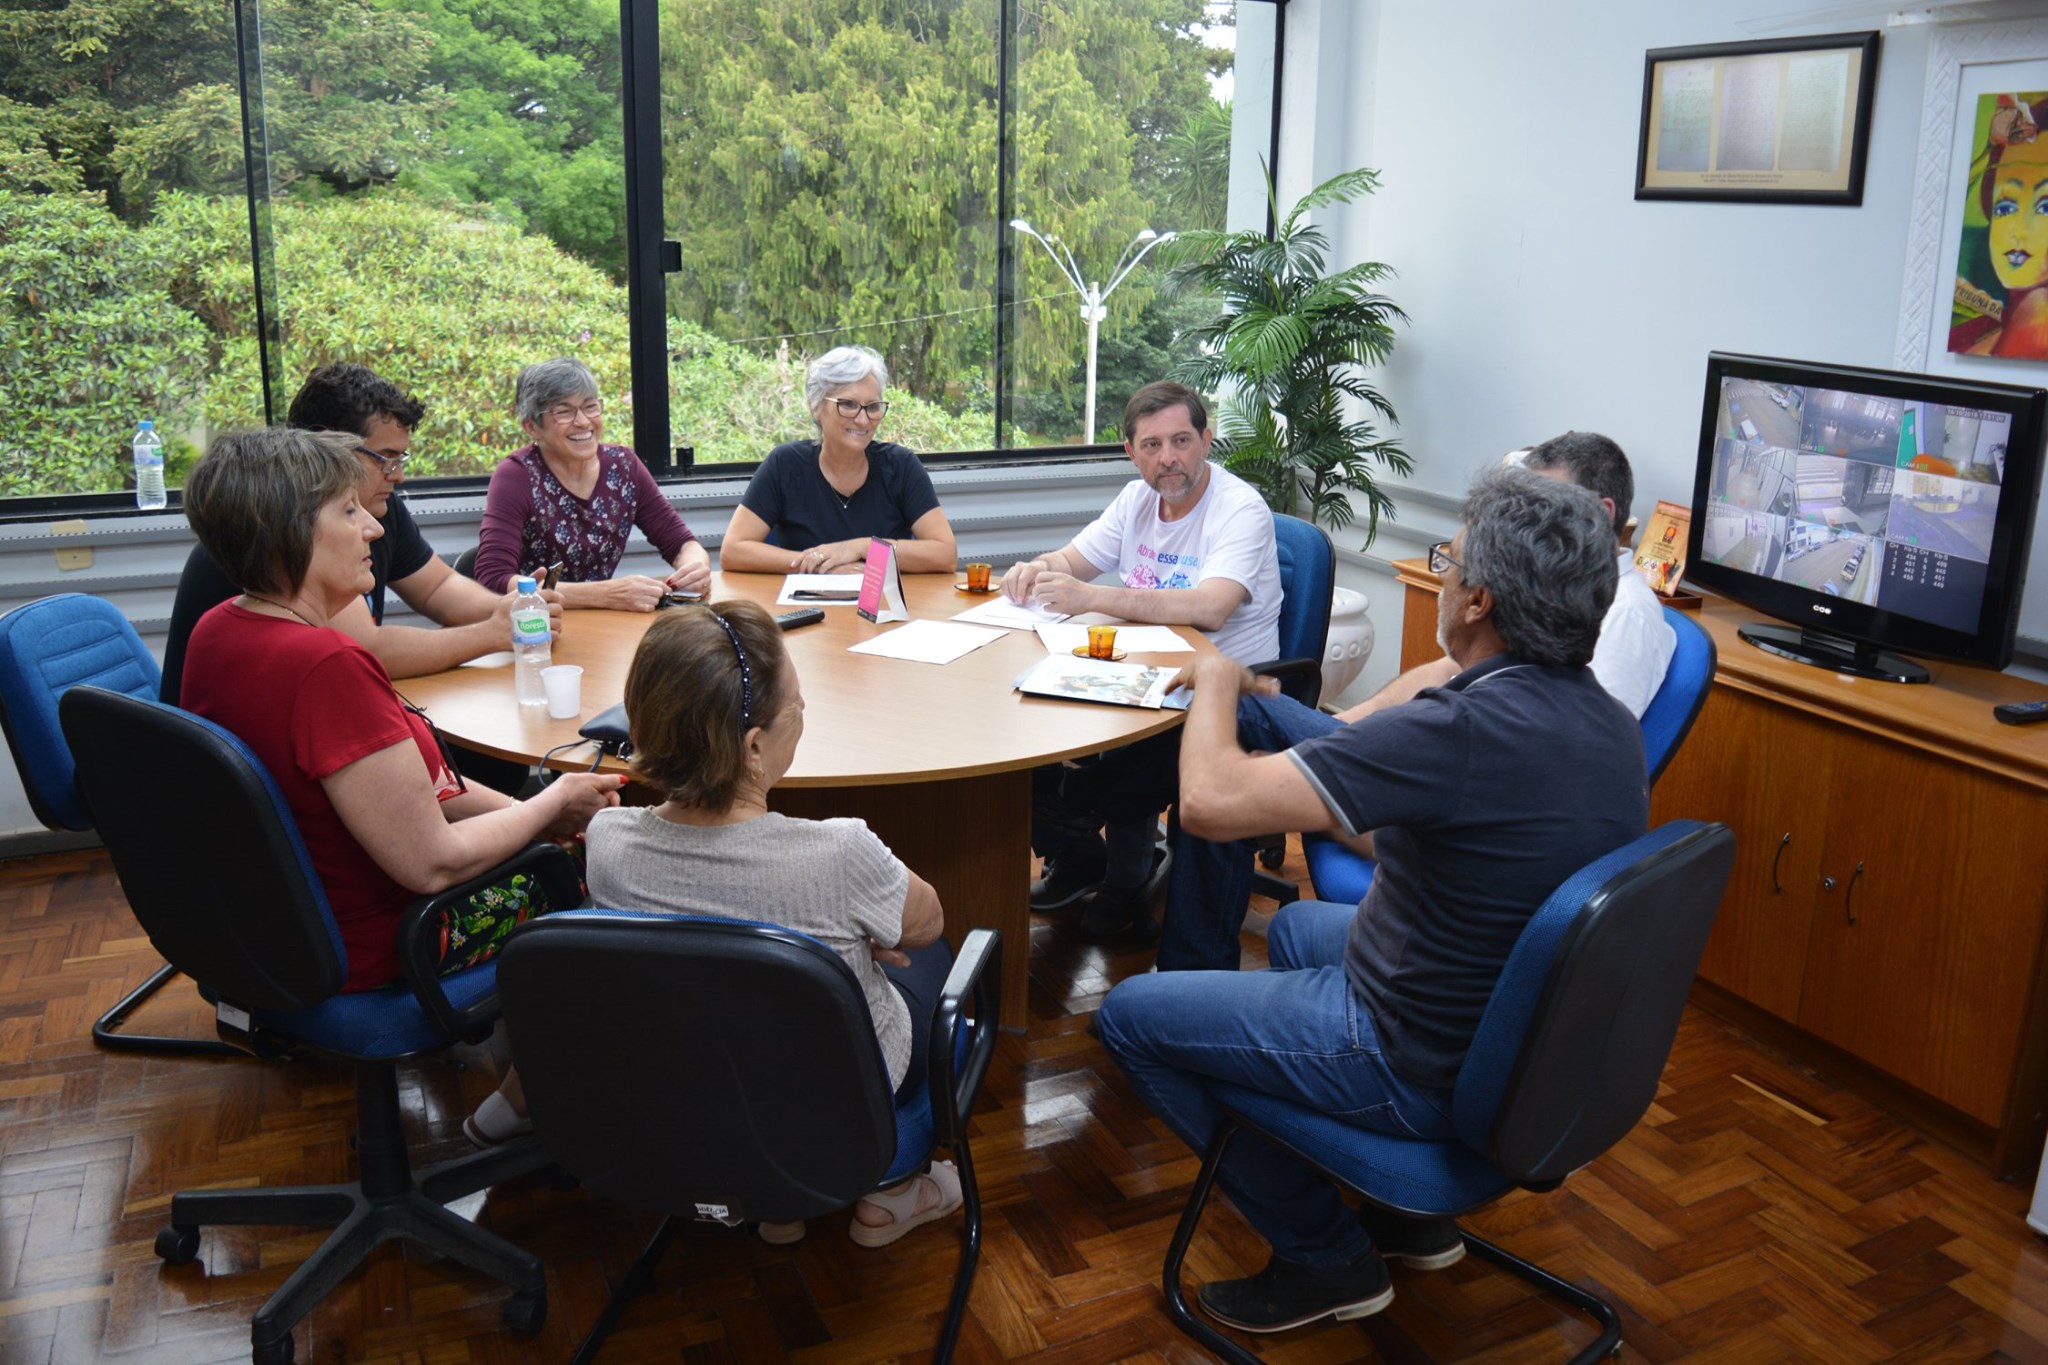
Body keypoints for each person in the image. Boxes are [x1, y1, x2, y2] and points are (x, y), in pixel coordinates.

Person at [1097, 468, 1648, 1335]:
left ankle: (1324, 1255)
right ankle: (1404, 1218)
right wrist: (1289, 723)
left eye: (1449, 560)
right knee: (1300, 928)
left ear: (1478, 602)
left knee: (1130, 1016)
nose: (1445, 573)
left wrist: (1214, 679)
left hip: (1408, 1052)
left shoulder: (1454, 730)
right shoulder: (1607, 721)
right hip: (1515, 1036)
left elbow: (1206, 803)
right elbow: (1432, 828)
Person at [177, 429, 624, 1136]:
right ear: (291, 531)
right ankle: (529, 1100)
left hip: (279, 926)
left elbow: (410, 789)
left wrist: (538, 809)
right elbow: (432, 861)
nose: (375, 526)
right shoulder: (325, 666)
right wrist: (552, 808)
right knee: (619, 882)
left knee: (571, 840)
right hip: (387, 943)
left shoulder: (219, 630)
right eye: (349, 512)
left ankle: (527, 1066)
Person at [1153, 430, 1676, 973]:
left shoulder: (1619, 627)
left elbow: (1538, 776)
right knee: (1249, 719)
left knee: (1235, 730)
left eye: (1448, 563)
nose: (1520, 518)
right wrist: (1347, 734)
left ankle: (1174, 934)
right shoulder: (1545, 628)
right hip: (1435, 777)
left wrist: (1333, 783)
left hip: (1449, 808)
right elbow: (1455, 674)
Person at [584, 601, 963, 1248]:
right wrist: (858, 937)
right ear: (754, 746)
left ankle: (772, 1199)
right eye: (799, 707)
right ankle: (894, 1187)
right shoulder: (839, 854)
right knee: (940, 960)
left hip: (689, 1090)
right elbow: (925, 924)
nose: (803, 717)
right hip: (837, 1107)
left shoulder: (607, 843)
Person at [1007, 381, 1281, 939]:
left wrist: (1093, 598)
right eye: (1152, 446)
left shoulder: (1239, 509)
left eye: (1181, 440)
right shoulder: (1137, 500)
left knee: (1101, 779)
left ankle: (1126, 882)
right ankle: (1087, 860)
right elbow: (1073, 559)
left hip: (1222, 696)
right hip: (1142, 676)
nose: (1169, 458)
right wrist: (1037, 566)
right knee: (1021, 740)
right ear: (1131, 452)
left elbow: (1210, 607)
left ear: (1206, 440)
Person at [160, 363, 559, 707]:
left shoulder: (378, 507)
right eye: (385, 458)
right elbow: (365, 647)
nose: (399, 475)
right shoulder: (284, 528)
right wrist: (491, 633)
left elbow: (438, 587)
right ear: (326, 448)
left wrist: (514, 610)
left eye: (401, 458)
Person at [475, 357, 712, 609]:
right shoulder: (516, 476)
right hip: (534, 631)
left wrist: (694, 568)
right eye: (563, 411)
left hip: (603, 625)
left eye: (590, 406)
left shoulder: (624, 466)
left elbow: (681, 543)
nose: (583, 421)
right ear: (532, 427)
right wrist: (605, 595)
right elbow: (493, 579)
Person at [720, 345, 959, 574]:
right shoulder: (785, 464)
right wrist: (820, 565)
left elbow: (945, 554)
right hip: (805, 608)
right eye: (847, 405)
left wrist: (861, 548)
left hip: (881, 610)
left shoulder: (900, 466)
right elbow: (733, 551)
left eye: (872, 407)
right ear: (815, 407)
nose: (863, 421)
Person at [1952, 95, 2048, 359]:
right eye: (2005, 208)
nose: (2019, 230)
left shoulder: (2036, 321)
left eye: (2045, 208)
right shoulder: (1983, 327)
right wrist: (1988, 149)